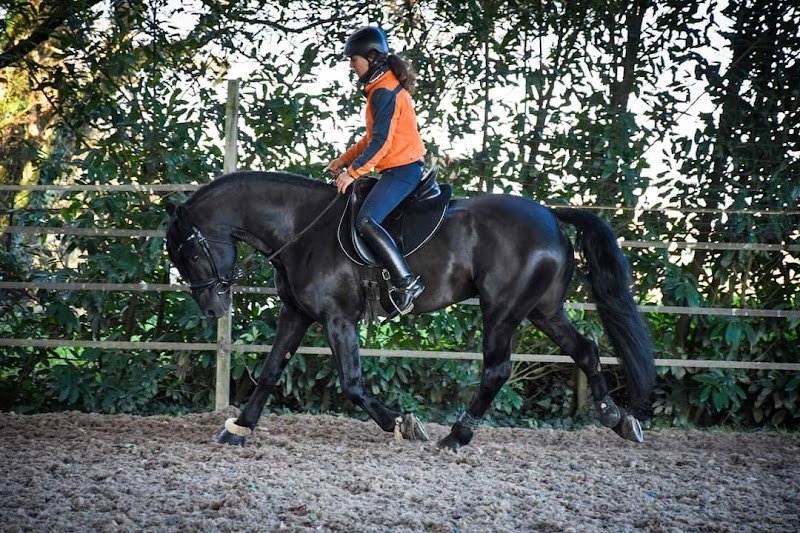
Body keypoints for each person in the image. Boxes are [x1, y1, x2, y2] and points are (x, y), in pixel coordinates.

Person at [326, 26, 426, 315]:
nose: (351, 65)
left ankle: (406, 282)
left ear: (371, 58)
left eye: (353, 59)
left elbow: (381, 143)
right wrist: (344, 160)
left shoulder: (384, 91)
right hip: (397, 168)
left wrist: (353, 173)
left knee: (366, 220)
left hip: (403, 171)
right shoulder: (381, 88)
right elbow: (371, 138)